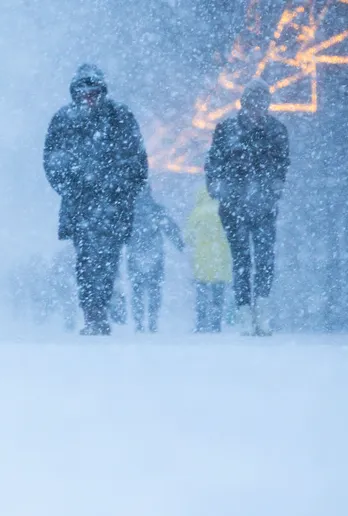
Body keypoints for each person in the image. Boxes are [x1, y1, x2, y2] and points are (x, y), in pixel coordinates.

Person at [43, 64, 148, 336]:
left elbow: (137, 161)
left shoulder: (120, 117)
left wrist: (119, 187)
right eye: (83, 93)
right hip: (81, 205)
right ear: (75, 93)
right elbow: (52, 162)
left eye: (93, 92)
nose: (88, 98)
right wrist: (74, 185)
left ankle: (102, 303)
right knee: (86, 259)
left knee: (109, 258)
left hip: (114, 204)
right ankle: (93, 312)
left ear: (102, 91)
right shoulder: (64, 120)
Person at [205, 79, 290, 336]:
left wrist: (273, 188)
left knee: (264, 258)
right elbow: (213, 162)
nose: (257, 108)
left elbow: (282, 164)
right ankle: (244, 313)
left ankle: (262, 311)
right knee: (241, 259)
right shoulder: (227, 129)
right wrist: (216, 187)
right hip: (234, 206)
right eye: (253, 102)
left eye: (262, 102)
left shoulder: (276, 130)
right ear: (244, 103)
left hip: (263, 205)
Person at [127, 186, 184, 333]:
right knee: (154, 289)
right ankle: (152, 321)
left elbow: (122, 231)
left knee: (137, 289)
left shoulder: (129, 209)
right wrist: (181, 245)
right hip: (155, 254)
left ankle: (139, 322)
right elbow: (170, 228)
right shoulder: (156, 209)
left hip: (134, 253)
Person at [187, 187, 233, 333]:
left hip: (202, 258)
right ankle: (216, 324)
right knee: (218, 294)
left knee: (202, 293)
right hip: (221, 256)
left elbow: (188, 236)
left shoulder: (197, 212)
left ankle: (201, 323)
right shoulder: (224, 209)